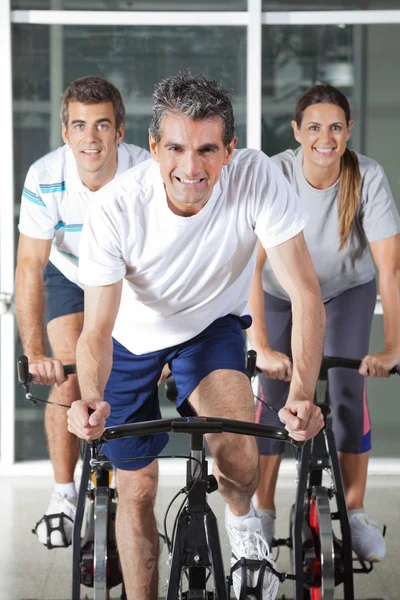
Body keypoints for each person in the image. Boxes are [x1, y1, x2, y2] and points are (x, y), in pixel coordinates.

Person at [67, 72, 325, 600]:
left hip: (210, 328)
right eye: (178, 148)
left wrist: (301, 394)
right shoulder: (115, 208)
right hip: (130, 339)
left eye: (208, 149)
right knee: (137, 491)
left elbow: (305, 296)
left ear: (229, 150)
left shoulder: (256, 177)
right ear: (155, 147)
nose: (192, 167)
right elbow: (95, 329)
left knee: (236, 449)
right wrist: (90, 398)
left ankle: (243, 527)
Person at [247, 84, 400, 564]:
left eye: (336, 127)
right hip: (278, 289)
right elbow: (249, 265)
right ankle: (263, 507)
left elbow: (390, 268)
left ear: (349, 130)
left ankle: (353, 511)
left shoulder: (367, 176)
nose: (325, 137)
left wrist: (393, 346)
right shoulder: (275, 173)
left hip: (345, 290)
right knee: (274, 393)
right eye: (314, 127)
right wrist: (261, 343)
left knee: (347, 388)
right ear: (297, 132)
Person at [15, 75, 150, 548]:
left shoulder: (146, 171)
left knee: (126, 372)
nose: (90, 137)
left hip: (132, 276)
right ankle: (63, 494)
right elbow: (30, 267)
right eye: (79, 125)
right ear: (65, 132)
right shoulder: (44, 176)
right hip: (70, 274)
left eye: (101, 125)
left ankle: (133, 490)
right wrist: (35, 353)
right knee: (68, 375)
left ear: (120, 131)